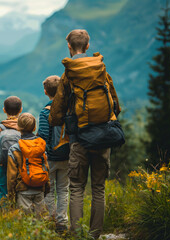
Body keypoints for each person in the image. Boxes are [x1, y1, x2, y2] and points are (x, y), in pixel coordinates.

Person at [49, 29, 121, 239]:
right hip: (102, 136)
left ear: (69, 47)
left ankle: (77, 234)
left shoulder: (69, 73)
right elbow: (115, 103)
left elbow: (56, 111)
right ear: (88, 46)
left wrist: (58, 121)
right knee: (98, 188)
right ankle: (95, 235)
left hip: (79, 139)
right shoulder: (100, 69)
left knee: (77, 187)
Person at [38, 75, 70, 233]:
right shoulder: (68, 109)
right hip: (67, 156)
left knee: (49, 190)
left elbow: (43, 136)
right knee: (64, 189)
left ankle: (51, 220)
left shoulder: (45, 113)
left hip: (50, 158)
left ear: (45, 92)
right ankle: (62, 221)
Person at [7, 113, 49, 216]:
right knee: (40, 221)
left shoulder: (14, 149)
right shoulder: (41, 146)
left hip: (23, 189)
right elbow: (46, 168)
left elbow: (11, 176)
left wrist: (11, 195)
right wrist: (46, 188)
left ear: (18, 128)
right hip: (39, 188)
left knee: (25, 222)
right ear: (35, 127)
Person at [0, 96, 22, 200]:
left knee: (2, 190)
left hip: (2, 163)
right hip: (19, 164)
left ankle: (4, 213)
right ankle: (17, 212)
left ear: (4, 110)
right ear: (20, 110)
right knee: (18, 189)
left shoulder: (0, 128)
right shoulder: (23, 127)